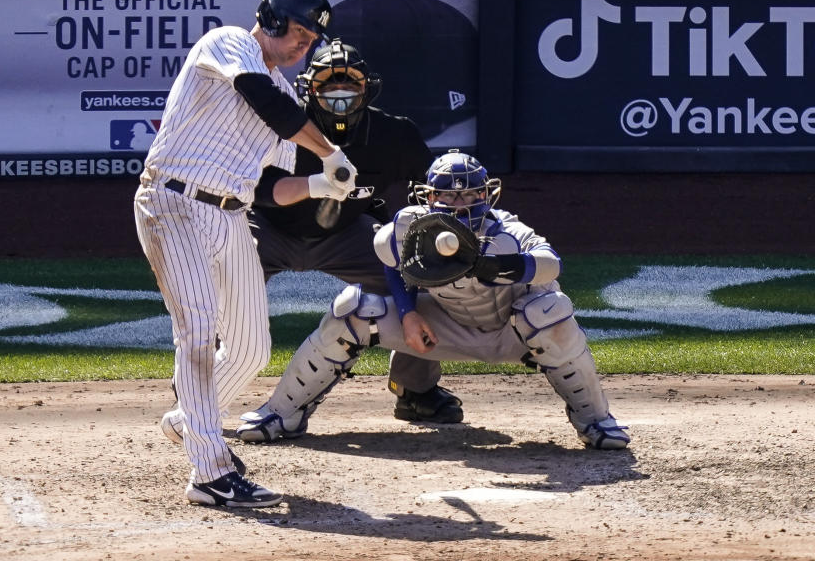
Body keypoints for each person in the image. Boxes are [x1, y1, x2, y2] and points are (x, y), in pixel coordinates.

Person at [134, 0, 358, 508]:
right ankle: (209, 473)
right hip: (173, 203)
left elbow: (268, 189)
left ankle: (190, 422)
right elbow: (266, 104)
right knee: (197, 335)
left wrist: (324, 185)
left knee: (253, 348)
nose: (304, 47)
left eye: (311, 40)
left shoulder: (285, 92)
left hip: (232, 218)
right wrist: (328, 151)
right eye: (299, 33)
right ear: (275, 19)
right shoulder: (229, 42)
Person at [236, 150, 631, 451]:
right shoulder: (412, 225)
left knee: (550, 311)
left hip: (513, 335)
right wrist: (408, 314)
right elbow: (386, 253)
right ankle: (281, 413)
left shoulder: (507, 230)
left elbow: (551, 264)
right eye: (447, 196)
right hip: (441, 330)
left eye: (470, 194)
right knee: (354, 308)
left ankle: (595, 420)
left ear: (486, 194)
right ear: (429, 197)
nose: (459, 204)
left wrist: (502, 267)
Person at [240, 38, 464, 435]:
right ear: (308, 89)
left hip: (347, 234)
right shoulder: (278, 129)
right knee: (220, 283)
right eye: (328, 86)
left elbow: (431, 191)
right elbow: (250, 189)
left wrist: (429, 231)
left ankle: (415, 389)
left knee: (422, 280)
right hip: (270, 228)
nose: (338, 95)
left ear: (368, 89)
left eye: (349, 85)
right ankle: (200, 386)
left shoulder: (393, 134)